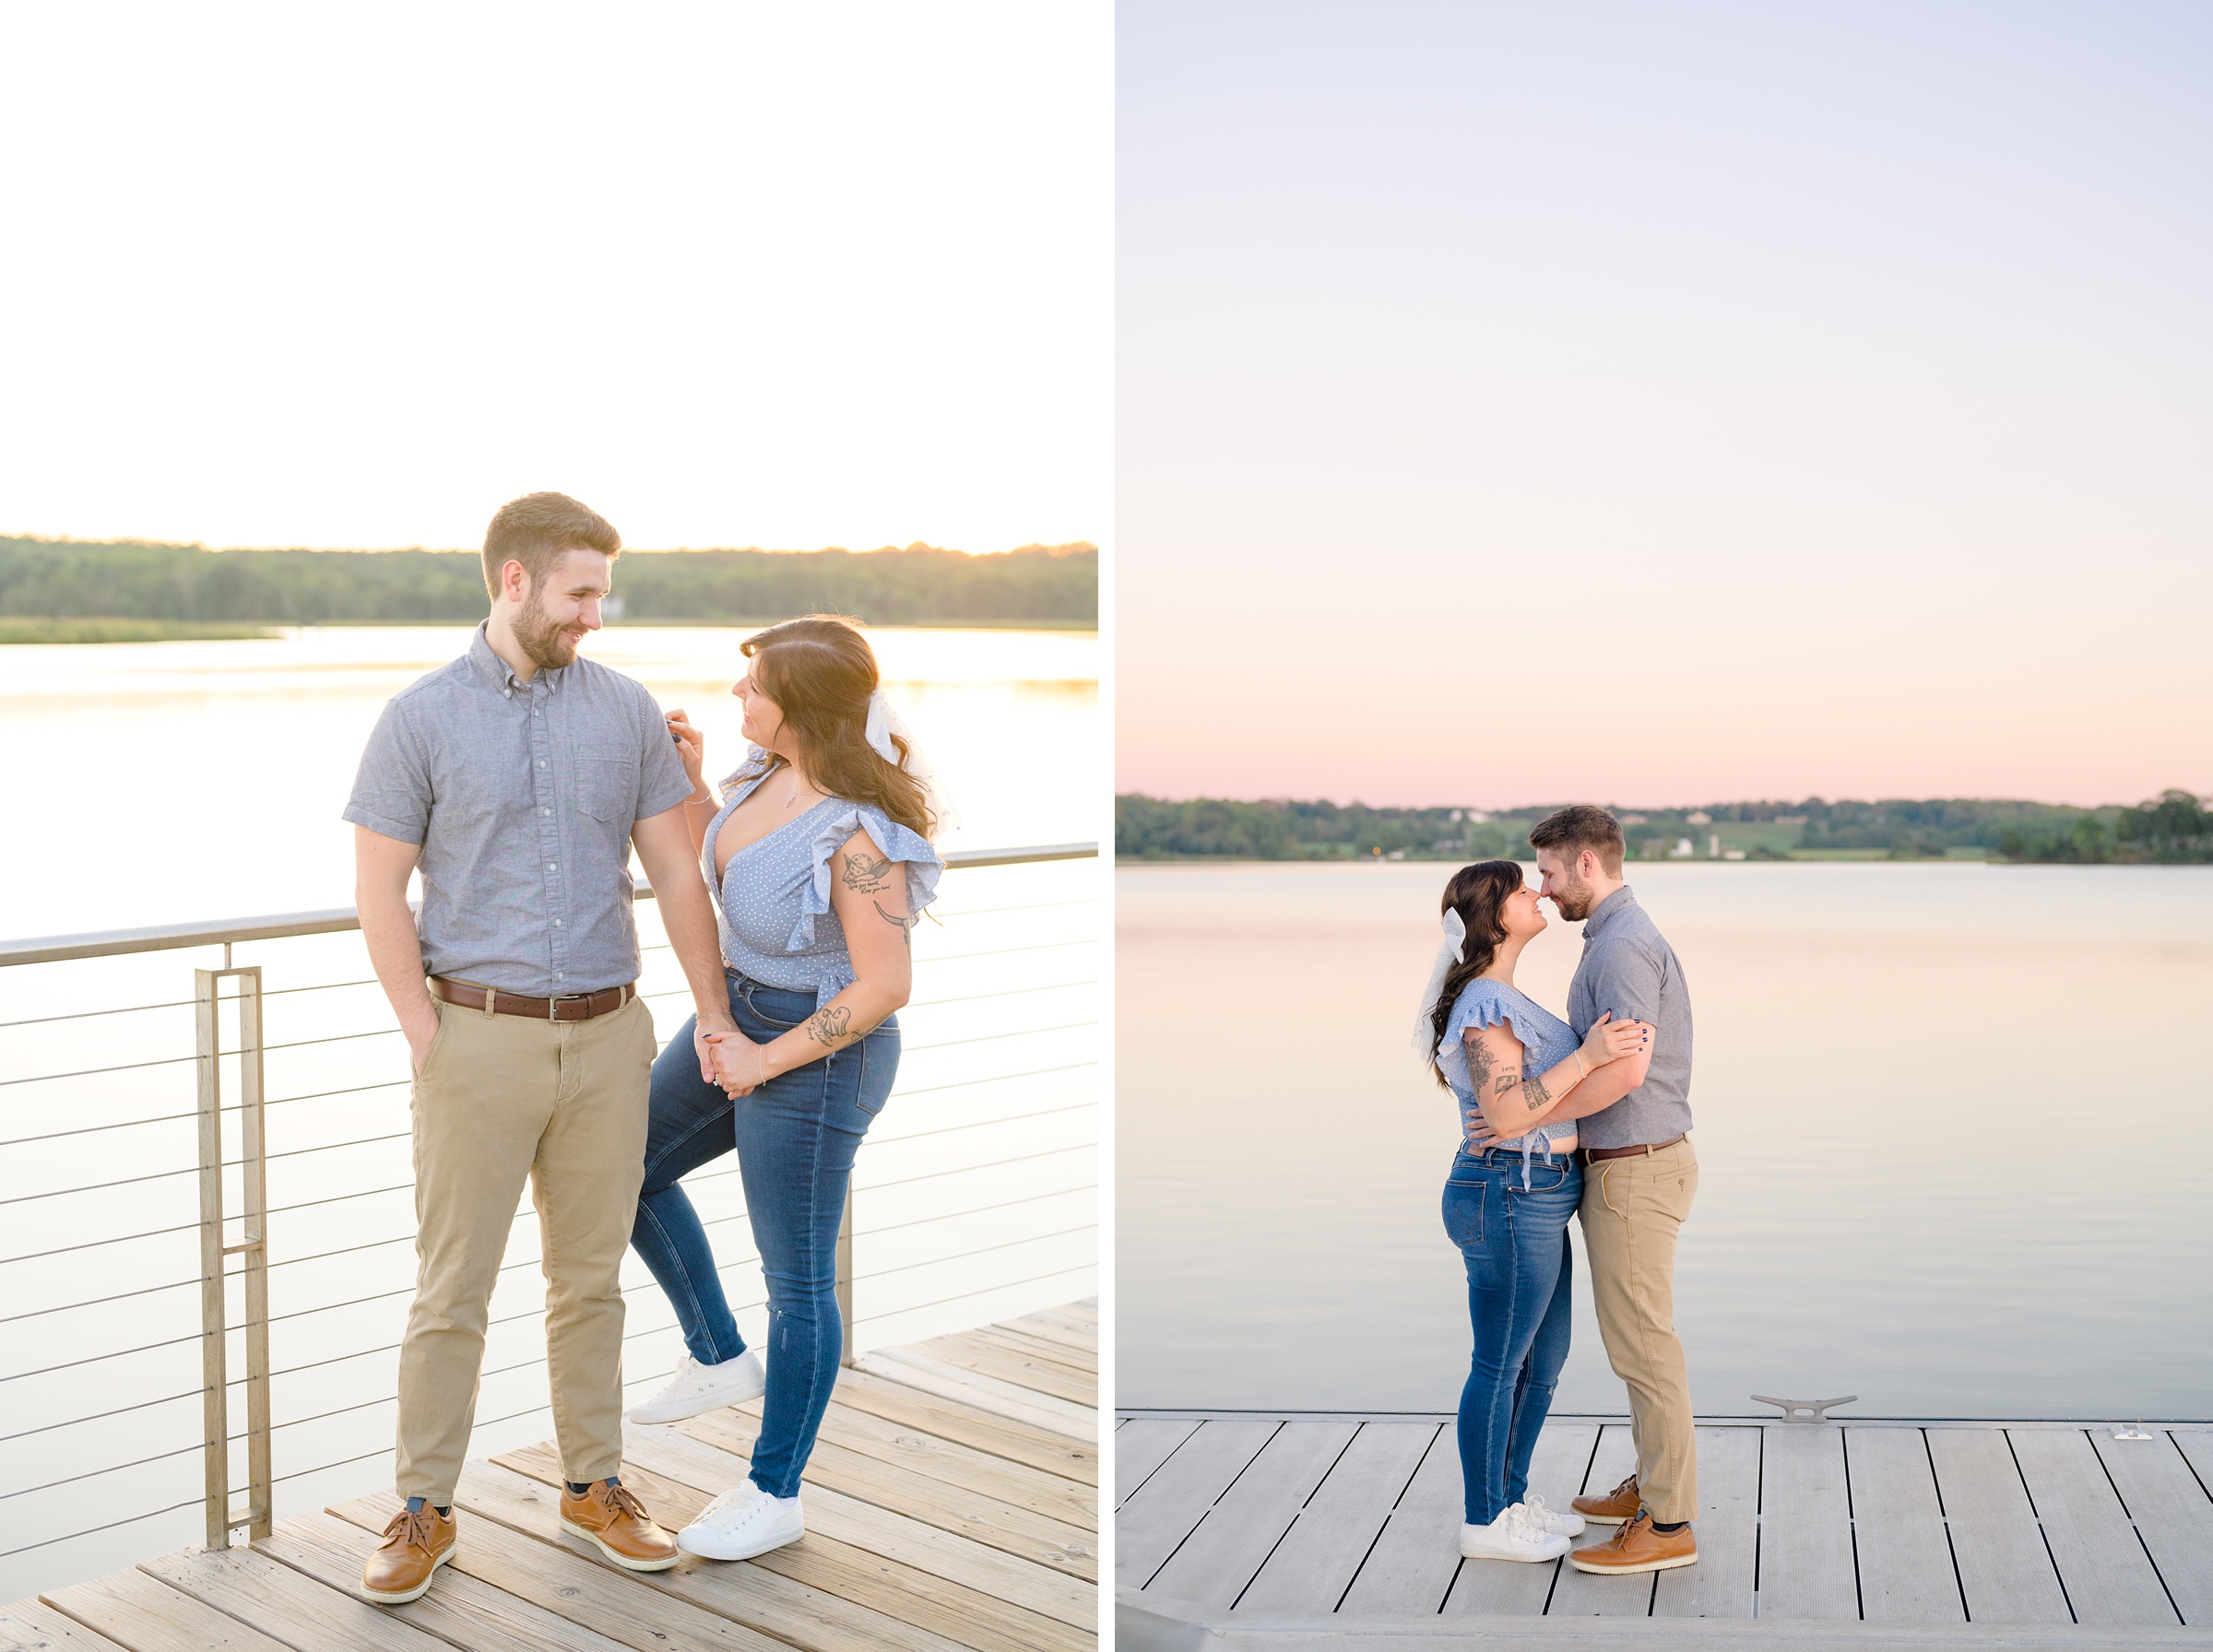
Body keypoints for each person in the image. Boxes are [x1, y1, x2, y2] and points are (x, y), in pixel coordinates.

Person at [345, 492, 741, 1605]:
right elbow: (378, 891)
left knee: (591, 1284)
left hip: (612, 1036)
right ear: (513, 582)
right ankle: (425, 1506)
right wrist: (428, 1035)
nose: (595, 617)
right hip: (476, 1038)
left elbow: (675, 870)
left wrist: (709, 1012)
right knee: (452, 1288)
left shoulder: (624, 712)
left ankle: (593, 1484)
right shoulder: (419, 717)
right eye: (579, 593)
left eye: (602, 595)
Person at [620, 614, 943, 1564]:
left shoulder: (858, 837)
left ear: (798, 706)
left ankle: (775, 1492)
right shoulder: (761, 778)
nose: (737, 695)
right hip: (738, 1019)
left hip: (820, 1055)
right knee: (616, 1165)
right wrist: (686, 779)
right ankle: (719, 1354)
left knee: (797, 1282)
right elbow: (714, 865)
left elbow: (885, 985)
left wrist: (764, 1062)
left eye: (753, 684)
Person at [1419, 861, 1650, 1563]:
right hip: (1506, 1191)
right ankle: (1484, 1521)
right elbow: (1508, 1113)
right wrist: (1586, 1057)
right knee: (1499, 1363)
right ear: (1494, 919)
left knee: (1541, 1362)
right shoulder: (1484, 1007)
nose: (1538, 893)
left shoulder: (1504, 996)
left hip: (1539, 1192)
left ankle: (1513, 1500)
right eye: (1523, 891)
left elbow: (1521, 1109)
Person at [1532, 804, 1701, 1577]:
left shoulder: (1624, 947)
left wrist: (1529, 1117)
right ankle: (1653, 1485)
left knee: (1645, 1347)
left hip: (1635, 1166)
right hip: (1629, 1163)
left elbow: (1627, 1071)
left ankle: (1669, 1523)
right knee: (1636, 1344)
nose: (1544, 888)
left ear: (1588, 865)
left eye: (1551, 872)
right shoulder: (1613, 937)